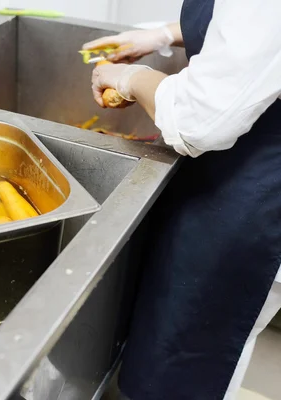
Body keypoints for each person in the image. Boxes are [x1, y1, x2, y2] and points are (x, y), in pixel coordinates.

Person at [82, 0, 281, 399]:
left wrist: (128, 77)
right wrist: (163, 35)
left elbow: (197, 122)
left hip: (258, 191)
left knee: (193, 356)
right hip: (238, 177)